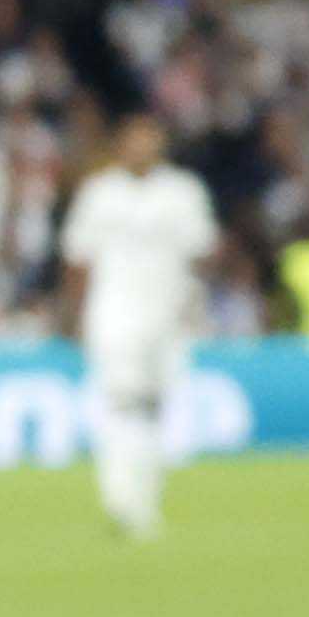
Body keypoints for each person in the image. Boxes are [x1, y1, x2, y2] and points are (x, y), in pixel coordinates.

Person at [60, 111, 219, 541]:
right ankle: (118, 498)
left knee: (156, 406)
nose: (141, 147)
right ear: (120, 144)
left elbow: (203, 253)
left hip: (167, 315)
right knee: (120, 402)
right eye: (134, 139)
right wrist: (73, 315)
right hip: (113, 312)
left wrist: (196, 305)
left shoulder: (183, 192)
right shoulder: (99, 193)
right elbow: (77, 258)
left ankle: (145, 500)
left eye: (149, 139)